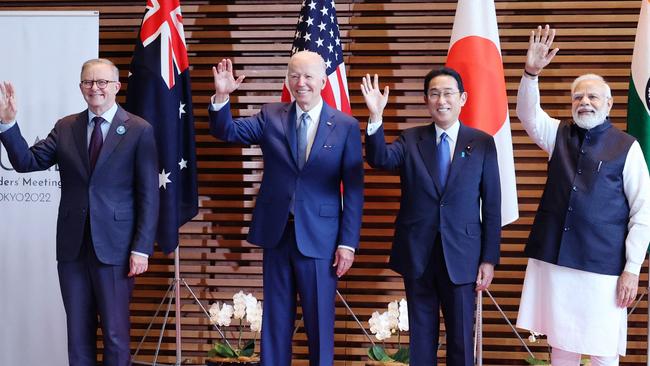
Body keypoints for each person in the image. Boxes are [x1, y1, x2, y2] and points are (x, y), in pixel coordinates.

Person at [208, 50, 364, 366]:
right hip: (278, 234)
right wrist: (221, 97)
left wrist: (347, 244)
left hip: (322, 238)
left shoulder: (345, 125)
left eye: (308, 76)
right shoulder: (271, 115)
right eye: (294, 75)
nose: (300, 82)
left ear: (323, 80)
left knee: (319, 321)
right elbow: (227, 131)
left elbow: (355, 191)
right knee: (276, 321)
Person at [0, 58, 159, 366]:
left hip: (117, 249)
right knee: (78, 336)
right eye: (88, 82)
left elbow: (149, 196)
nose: (94, 88)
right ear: (80, 87)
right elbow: (26, 162)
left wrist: (142, 248)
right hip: (73, 250)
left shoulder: (139, 130)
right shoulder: (66, 126)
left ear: (116, 86)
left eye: (101, 82)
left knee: (115, 336)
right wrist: (8, 124)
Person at [515, 25, 650, 365]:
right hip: (558, 263)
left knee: (604, 354)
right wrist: (531, 74)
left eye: (592, 96)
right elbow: (528, 116)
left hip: (604, 270)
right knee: (562, 352)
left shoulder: (627, 147)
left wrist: (632, 268)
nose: (584, 102)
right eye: (578, 97)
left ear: (609, 103)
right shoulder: (558, 134)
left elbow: (644, 210)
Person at [361, 68, 502, 365]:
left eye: (448, 93)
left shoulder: (482, 143)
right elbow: (379, 159)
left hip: (463, 256)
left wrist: (489, 258)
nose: (442, 100)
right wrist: (375, 118)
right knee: (422, 340)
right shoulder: (411, 140)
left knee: (461, 341)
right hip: (418, 254)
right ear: (426, 100)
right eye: (434, 94)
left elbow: (491, 206)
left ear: (462, 98)